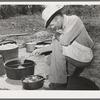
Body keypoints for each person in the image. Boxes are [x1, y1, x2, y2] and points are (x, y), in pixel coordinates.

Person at [32, 5, 94, 90]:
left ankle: (59, 83)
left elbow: (64, 41)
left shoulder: (74, 20)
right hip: (77, 54)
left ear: (58, 18)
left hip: (85, 56)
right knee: (49, 59)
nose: (52, 27)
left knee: (58, 41)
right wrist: (41, 50)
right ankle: (72, 72)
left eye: (52, 25)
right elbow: (57, 44)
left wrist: (57, 35)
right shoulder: (62, 26)